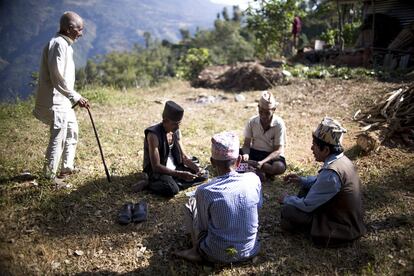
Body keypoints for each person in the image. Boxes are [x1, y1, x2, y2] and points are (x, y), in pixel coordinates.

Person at [174, 131, 262, 263]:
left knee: (190, 204)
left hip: (215, 254)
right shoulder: (254, 179)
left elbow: (203, 227)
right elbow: (258, 207)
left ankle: (195, 251)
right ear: (238, 161)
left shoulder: (205, 191)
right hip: (250, 250)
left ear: (212, 162)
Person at [279, 117, 366, 247]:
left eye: (314, 145)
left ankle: (310, 227)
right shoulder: (341, 160)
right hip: (344, 216)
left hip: (342, 227)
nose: (311, 148)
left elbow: (307, 205)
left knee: (288, 211)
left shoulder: (331, 174)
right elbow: (320, 182)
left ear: (325, 150)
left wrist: (287, 199)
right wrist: (301, 180)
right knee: (305, 189)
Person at [33, 11, 90, 179]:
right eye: (79, 29)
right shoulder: (58, 44)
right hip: (55, 102)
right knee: (58, 139)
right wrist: (75, 96)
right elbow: (56, 77)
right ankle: (49, 177)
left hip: (64, 101)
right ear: (69, 28)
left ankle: (66, 167)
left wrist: (72, 96)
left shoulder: (66, 45)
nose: (81, 33)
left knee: (72, 132)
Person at [143, 100, 206, 197]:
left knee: (204, 174)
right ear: (165, 121)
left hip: (175, 167)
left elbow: (184, 157)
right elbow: (156, 166)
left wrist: (197, 169)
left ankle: (176, 181)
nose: (177, 127)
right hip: (159, 171)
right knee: (172, 189)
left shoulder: (175, 131)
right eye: (174, 124)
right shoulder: (153, 135)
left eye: (179, 124)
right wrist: (180, 174)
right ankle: (149, 183)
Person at [241, 91, 287, 180]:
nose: (263, 116)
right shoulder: (252, 122)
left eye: (267, 113)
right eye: (261, 112)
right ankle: (261, 172)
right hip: (254, 152)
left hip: (271, 155)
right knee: (232, 158)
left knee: (279, 167)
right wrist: (246, 154)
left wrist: (262, 162)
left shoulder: (279, 124)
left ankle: (252, 169)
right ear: (258, 108)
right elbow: (246, 145)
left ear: (274, 110)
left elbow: (278, 150)